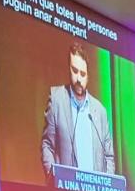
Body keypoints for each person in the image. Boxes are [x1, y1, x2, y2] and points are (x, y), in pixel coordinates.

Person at [41, 42, 115, 180]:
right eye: (75, 71)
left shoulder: (100, 111)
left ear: (88, 76)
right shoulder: (56, 99)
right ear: (68, 69)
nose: (79, 79)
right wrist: (52, 177)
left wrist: (106, 186)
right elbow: (47, 145)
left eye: (83, 73)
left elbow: (109, 156)